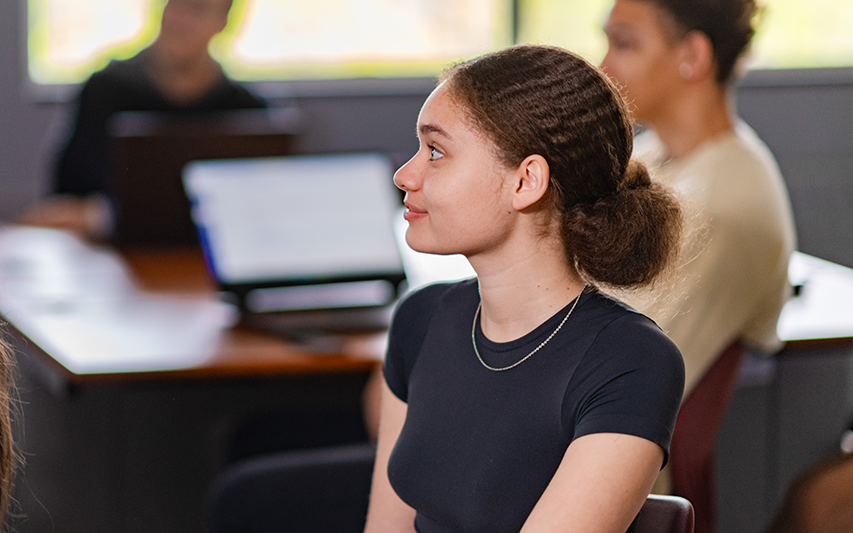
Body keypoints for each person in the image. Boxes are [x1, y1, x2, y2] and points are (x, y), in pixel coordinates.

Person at [364, 44, 686, 533]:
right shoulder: (421, 319)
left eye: (435, 151)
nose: (404, 174)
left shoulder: (630, 361)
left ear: (526, 181)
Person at [600, 0, 797, 530]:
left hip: (606, 486)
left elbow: (610, 357)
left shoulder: (722, 203)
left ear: (692, 56)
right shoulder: (658, 154)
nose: (603, 67)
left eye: (624, 43)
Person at [18, 0, 265, 237]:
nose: (182, 20)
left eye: (199, 9)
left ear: (224, 22)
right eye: (176, 4)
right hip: (108, 260)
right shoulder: (107, 91)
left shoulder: (248, 111)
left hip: (197, 263)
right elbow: (66, 202)